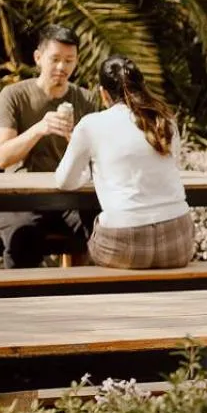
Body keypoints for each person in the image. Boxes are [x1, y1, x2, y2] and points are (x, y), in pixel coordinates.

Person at [54, 56, 194, 268]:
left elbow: (64, 181)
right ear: (142, 86)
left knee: (83, 245)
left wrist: (90, 173)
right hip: (178, 244)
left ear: (103, 93)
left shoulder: (91, 125)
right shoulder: (165, 121)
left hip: (124, 245)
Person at [0, 24, 98, 267]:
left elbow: (98, 160)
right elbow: (2, 157)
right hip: (22, 197)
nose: (62, 67)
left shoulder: (86, 100)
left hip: (71, 196)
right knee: (23, 240)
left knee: (102, 230)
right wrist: (39, 128)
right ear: (38, 58)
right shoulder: (13, 96)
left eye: (69, 60)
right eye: (55, 59)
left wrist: (76, 139)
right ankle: (21, 302)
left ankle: (85, 298)